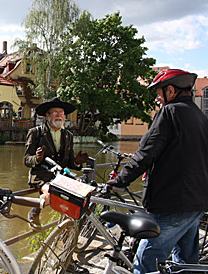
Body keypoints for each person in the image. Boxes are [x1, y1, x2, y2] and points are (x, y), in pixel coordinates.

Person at [108, 69, 208, 274]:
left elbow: (146, 153)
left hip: (172, 205)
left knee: (146, 262)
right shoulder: (200, 117)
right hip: (196, 203)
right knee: (185, 264)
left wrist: (119, 181)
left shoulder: (169, 113)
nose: (157, 99)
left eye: (159, 93)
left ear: (170, 91)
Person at [24, 97, 89, 274]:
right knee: (48, 190)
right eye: (55, 112)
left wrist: (77, 162)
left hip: (60, 177)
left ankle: (68, 256)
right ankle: (35, 210)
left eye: (61, 112)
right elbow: (26, 160)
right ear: (47, 115)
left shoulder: (68, 135)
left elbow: (68, 162)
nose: (59, 115)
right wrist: (36, 159)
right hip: (42, 175)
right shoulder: (36, 133)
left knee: (76, 207)